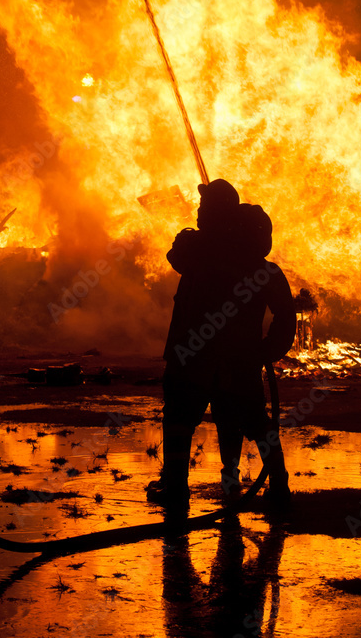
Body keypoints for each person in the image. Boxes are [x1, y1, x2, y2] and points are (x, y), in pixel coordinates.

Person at [147, 178, 295, 505]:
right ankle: (279, 488)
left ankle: (175, 488)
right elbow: (286, 316)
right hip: (238, 364)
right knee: (256, 422)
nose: (197, 214)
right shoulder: (260, 268)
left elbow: (177, 254)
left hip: (192, 360)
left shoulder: (199, 252)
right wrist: (264, 352)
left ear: (217, 216)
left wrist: (198, 236)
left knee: (179, 422)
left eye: (204, 209)